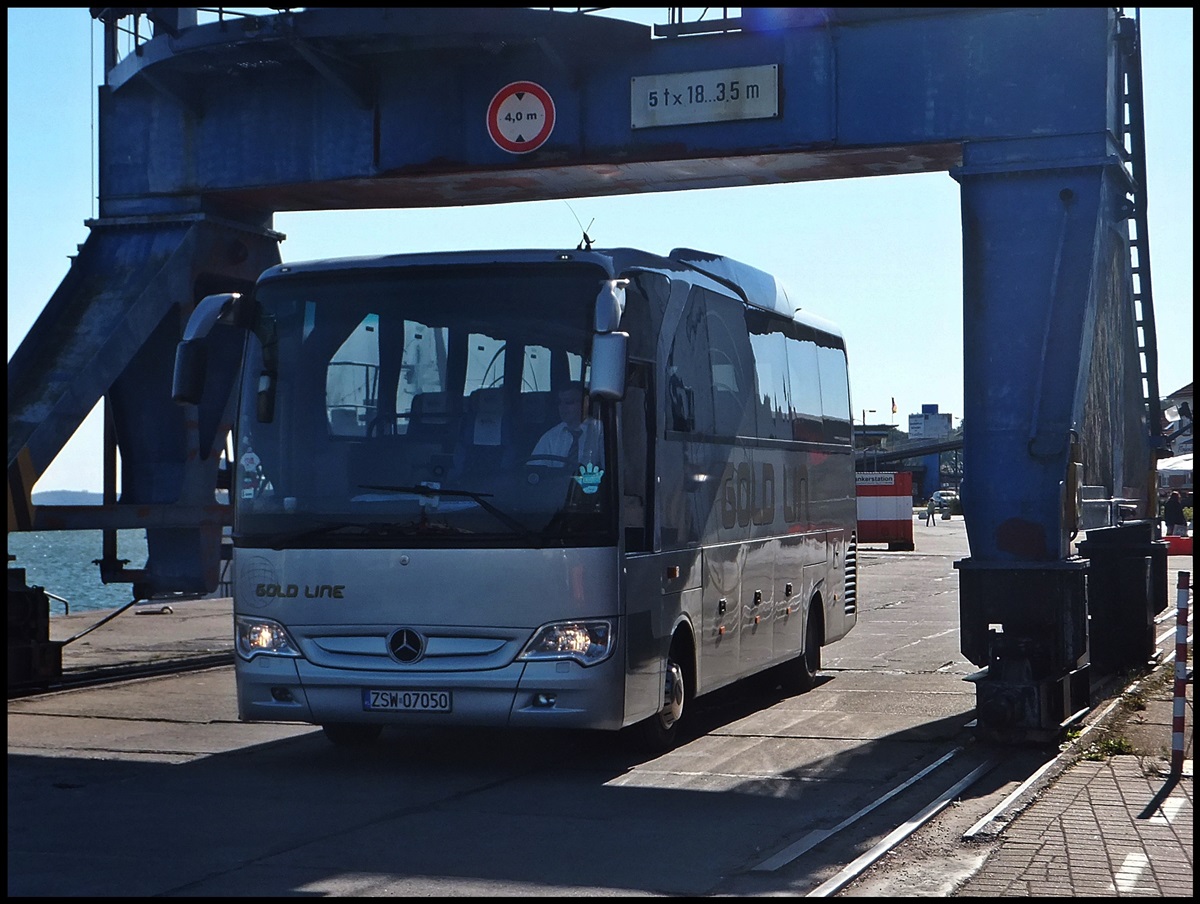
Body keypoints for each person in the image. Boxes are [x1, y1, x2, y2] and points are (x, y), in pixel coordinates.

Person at [529, 382, 603, 469]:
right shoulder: (551, 437)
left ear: (585, 403)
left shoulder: (600, 431)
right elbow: (534, 470)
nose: (562, 407)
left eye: (569, 402)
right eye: (560, 402)